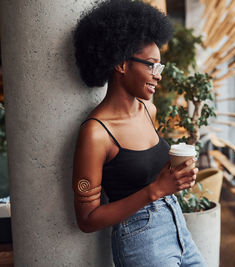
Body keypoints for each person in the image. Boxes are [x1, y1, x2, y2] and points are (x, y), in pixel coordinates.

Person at [72, 1, 207, 266]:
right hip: (142, 242)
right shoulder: (96, 134)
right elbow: (87, 220)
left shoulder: (149, 110)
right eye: (151, 65)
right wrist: (155, 190)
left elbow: (143, 169)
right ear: (122, 64)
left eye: (160, 67)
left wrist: (176, 176)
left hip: (177, 226)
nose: (158, 76)